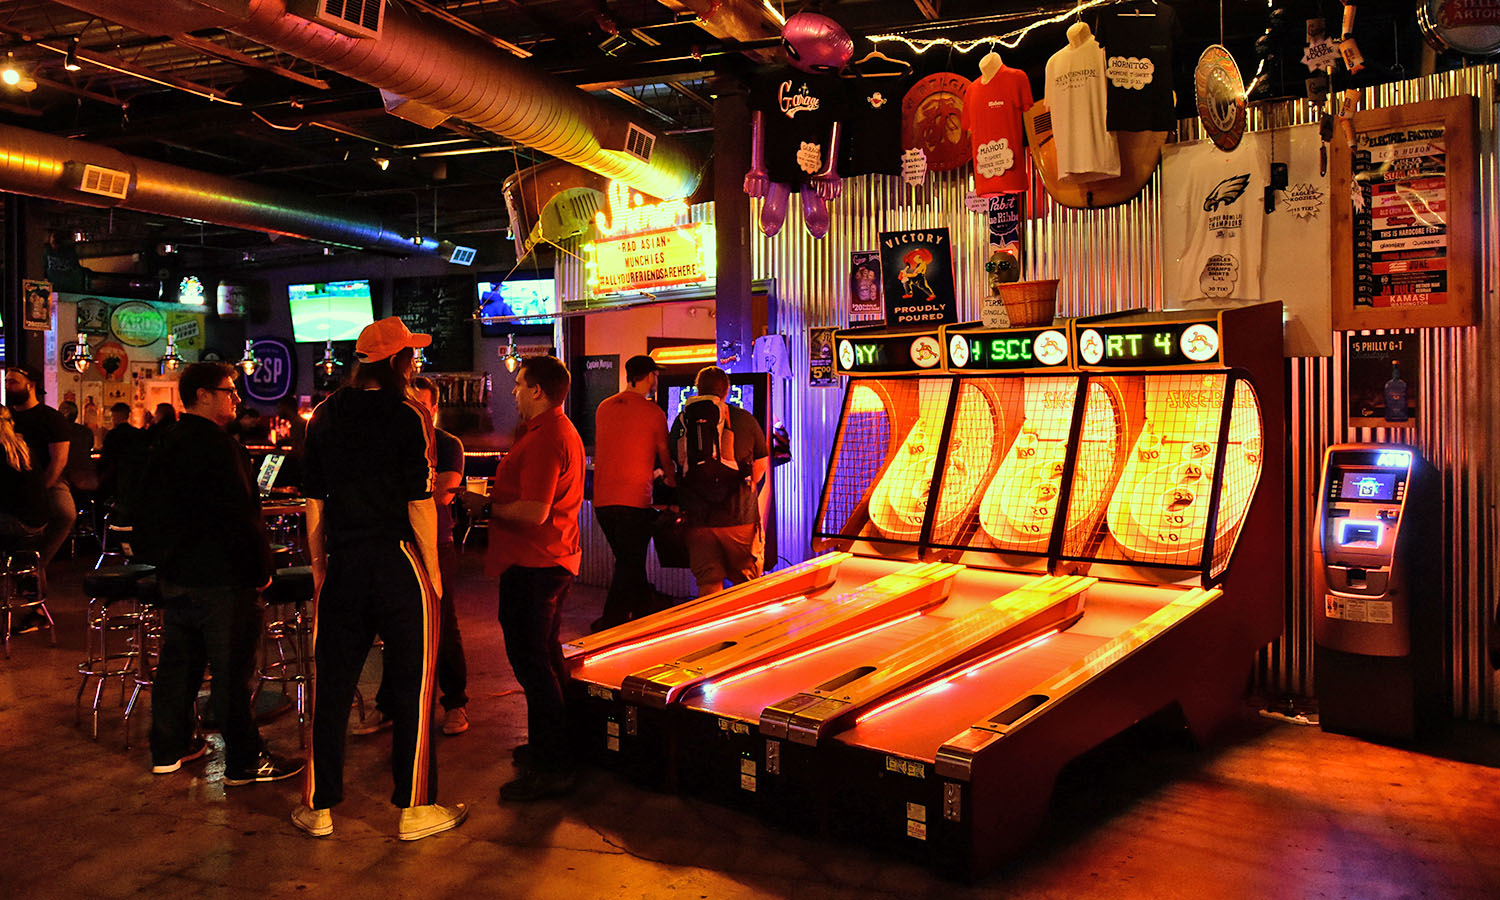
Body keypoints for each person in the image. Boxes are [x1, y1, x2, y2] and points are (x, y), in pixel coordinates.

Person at [294, 316, 466, 841]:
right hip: (398, 561)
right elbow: (420, 503)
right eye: (411, 356)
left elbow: (313, 502)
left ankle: (319, 807)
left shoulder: (324, 415)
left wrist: (320, 567)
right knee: (415, 686)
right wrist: (433, 576)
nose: (414, 363)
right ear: (398, 362)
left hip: (343, 563)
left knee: (331, 689)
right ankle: (415, 808)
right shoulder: (409, 414)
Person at [133, 363, 304, 785]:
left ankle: (169, 748)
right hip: (223, 578)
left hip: (178, 575)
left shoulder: (165, 441)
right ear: (203, 394)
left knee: (179, 665)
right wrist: (261, 570)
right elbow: (241, 518)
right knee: (231, 672)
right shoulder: (220, 447)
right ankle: (244, 761)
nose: (237, 399)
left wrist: (163, 560)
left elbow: (146, 510)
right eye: (229, 391)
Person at [487, 355, 585, 802]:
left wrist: (487, 507)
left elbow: (534, 511)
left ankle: (554, 766)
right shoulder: (557, 430)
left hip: (535, 562)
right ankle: (557, 746)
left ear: (537, 391)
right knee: (545, 656)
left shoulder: (546, 438)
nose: (514, 392)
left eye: (519, 384)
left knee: (532, 663)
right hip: (552, 558)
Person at [352, 376, 471, 738]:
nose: (415, 410)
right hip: (395, 543)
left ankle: (455, 703)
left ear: (434, 408)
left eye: (422, 403)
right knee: (393, 624)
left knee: (442, 624)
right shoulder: (393, 440)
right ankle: (388, 705)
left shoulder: (447, 444)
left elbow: (441, 496)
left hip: (435, 542)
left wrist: (392, 495)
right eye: (409, 402)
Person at [670, 366, 770, 598]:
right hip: (739, 517)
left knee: (708, 583)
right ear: (726, 391)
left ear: (698, 390)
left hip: (698, 520)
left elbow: (675, 464)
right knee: (746, 585)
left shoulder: (682, 421)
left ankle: (711, 621)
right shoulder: (744, 418)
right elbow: (760, 466)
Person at [590, 354, 673, 632]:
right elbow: (664, 454)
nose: (656, 380)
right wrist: (672, 481)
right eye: (655, 375)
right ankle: (610, 623)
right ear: (649, 376)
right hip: (634, 500)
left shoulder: (603, 407)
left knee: (630, 560)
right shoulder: (653, 412)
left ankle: (644, 609)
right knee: (629, 562)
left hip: (602, 502)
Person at [4, 366, 76, 570]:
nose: (8, 386)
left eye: (13, 382)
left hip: (47, 478)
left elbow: (58, 461)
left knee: (66, 513)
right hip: (12, 479)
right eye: (6, 382)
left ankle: (38, 565)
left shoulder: (51, 418)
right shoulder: (6, 418)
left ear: (31, 386)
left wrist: (39, 490)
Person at [98, 403, 145, 507]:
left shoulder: (113, 435)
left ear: (116, 416)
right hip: (134, 477)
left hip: (114, 477)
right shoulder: (137, 433)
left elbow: (106, 457)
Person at [56, 399, 99, 495]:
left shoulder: (58, 431)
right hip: (86, 477)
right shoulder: (86, 431)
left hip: (65, 477)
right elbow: (89, 447)